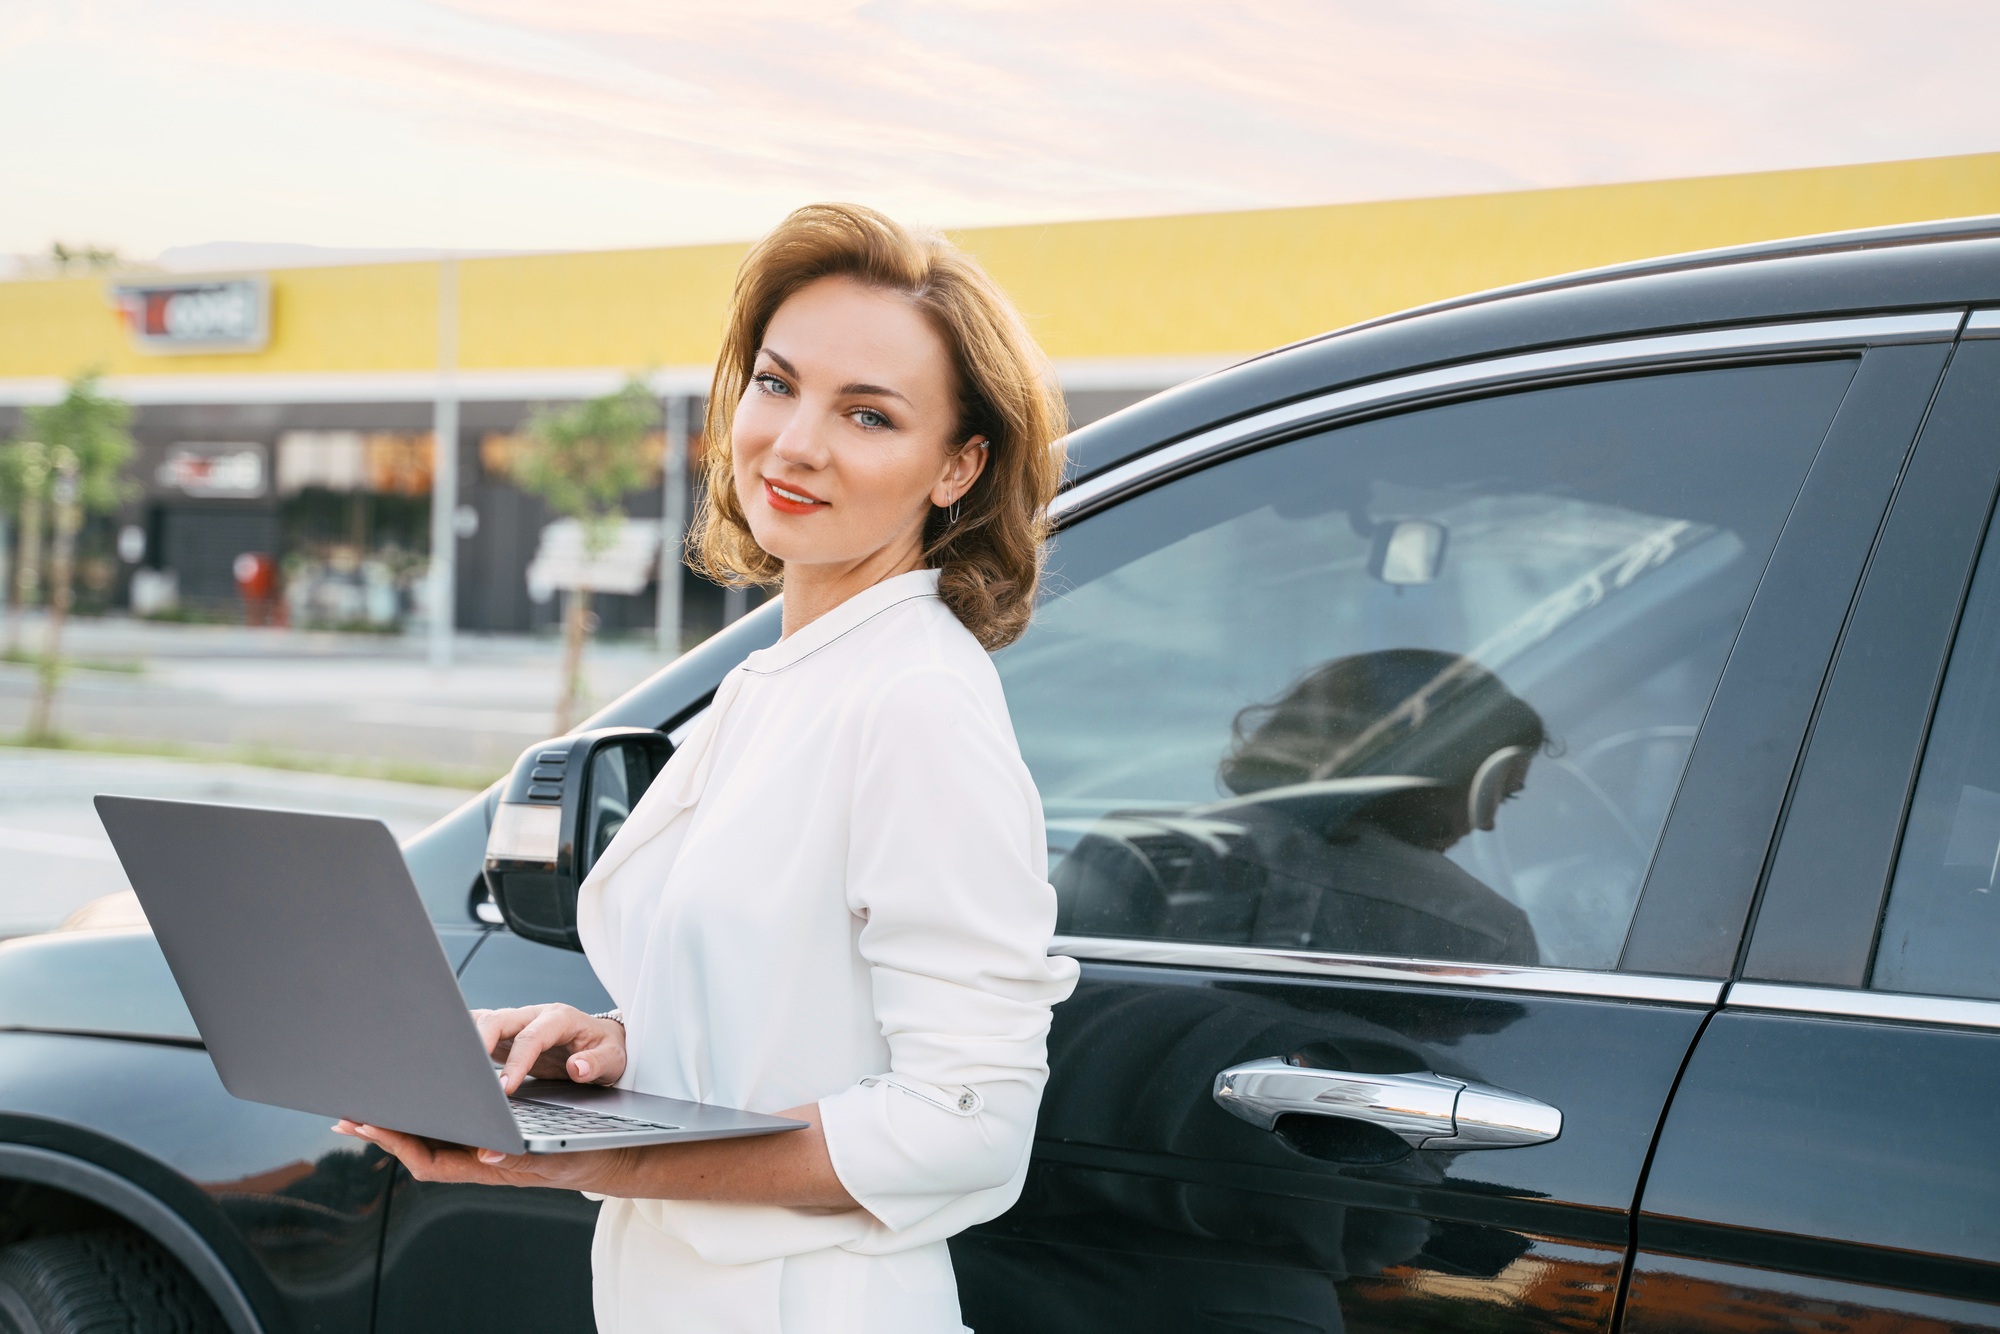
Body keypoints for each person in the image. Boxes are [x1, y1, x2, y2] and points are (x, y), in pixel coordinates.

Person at [338, 203, 1080, 1333]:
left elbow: (966, 1119)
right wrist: (616, 1055)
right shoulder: (776, 679)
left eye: (868, 414)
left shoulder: (915, 699)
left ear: (956, 466)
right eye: (776, 383)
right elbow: (804, 1012)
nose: (793, 442)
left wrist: (573, 1163)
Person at [1056, 648, 1544, 964]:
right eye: (1495, 792)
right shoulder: (1486, 937)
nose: (1488, 823)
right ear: (1445, 771)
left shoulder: (1131, 853)